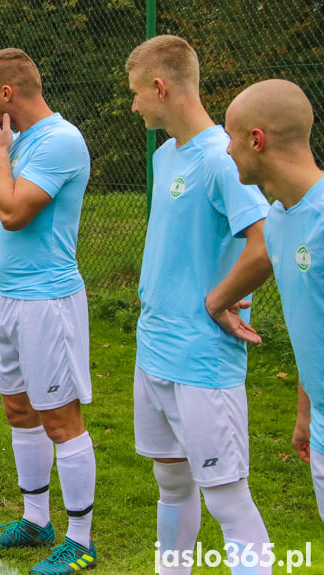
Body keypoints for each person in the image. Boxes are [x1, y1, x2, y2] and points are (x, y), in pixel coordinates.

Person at [126, 36, 273, 574]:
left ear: (160, 88)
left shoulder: (221, 159)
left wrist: (218, 300)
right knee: (171, 483)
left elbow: (265, 242)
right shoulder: (168, 156)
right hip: (155, 349)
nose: (135, 104)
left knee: (228, 501)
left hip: (203, 361)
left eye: (138, 93)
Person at [0, 49, 97, 574]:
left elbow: (15, 214)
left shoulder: (60, 141)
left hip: (49, 301)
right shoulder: (23, 142)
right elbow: (3, 232)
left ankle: (81, 541)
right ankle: (35, 520)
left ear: (6, 93)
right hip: (14, 298)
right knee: (20, 410)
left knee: (61, 419)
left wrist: (1, 154)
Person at [225, 78, 324, 521]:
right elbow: (313, 325)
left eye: (231, 136)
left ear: (256, 139)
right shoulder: (280, 219)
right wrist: (306, 414)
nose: (227, 150)